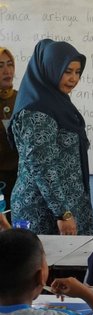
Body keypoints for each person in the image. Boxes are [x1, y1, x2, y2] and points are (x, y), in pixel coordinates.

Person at [9, 39, 93, 235]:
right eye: (67, 71)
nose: (74, 78)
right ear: (50, 69)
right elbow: (42, 167)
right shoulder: (37, 111)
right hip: (44, 212)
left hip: (65, 208)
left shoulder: (58, 104)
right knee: (46, 265)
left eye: (77, 72)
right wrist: (63, 214)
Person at [0, 47, 18, 215]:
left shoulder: (23, 99)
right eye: (0, 66)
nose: (7, 71)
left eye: (10, 64)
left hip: (20, 180)